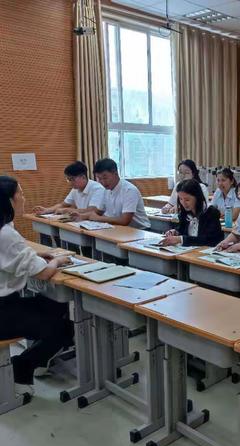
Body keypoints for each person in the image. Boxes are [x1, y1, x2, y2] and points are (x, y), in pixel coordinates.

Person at [0, 176, 74, 396]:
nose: (24, 198)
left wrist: (37, 254)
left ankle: (39, 358)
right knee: (65, 329)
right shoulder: (6, 234)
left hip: (7, 303)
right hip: (4, 311)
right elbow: (43, 273)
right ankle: (23, 366)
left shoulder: (5, 228)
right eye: (20, 194)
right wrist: (57, 260)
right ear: (8, 201)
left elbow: (15, 254)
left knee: (57, 304)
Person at [72, 158, 150, 229]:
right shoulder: (105, 190)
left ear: (115, 173)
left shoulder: (129, 190)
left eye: (105, 178)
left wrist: (99, 218)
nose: (102, 182)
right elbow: (99, 211)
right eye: (99, 178)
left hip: (140, 230)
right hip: (118, 229)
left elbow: (124, 221)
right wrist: (82, 216)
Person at [162, 180, 223, 247]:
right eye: (180, 199)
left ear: (197, 197)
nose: (183, 203)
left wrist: (181, 239)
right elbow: (182, 230)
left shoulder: (211, 212)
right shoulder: (184, 212)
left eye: (187, 200)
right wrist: (175, 232)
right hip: (189, 252)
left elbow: (209, 240)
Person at [33, 161, 104, 215]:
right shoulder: (75, 189)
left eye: (72, 179)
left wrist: (67, 210)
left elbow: (92, 211)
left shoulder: (97, 189)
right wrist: (47, 210)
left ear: (83, 177)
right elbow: (63, 204)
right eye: (68, 180)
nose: (70, 182)